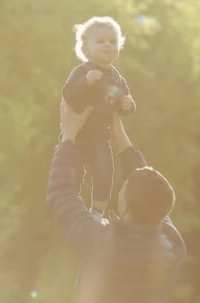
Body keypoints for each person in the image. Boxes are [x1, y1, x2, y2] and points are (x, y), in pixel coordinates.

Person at [47, 100, 186, 303]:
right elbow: (151, 194)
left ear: (126, 205)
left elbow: (61, 193)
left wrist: (68, 137)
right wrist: (119, 133)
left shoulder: (101, 244)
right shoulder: (173, 245)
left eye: (124, 188)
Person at [61, 16, 136, 220]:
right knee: (72, 171)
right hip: (77, 136)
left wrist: (128, 105)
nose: (107, 45)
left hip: (101, 137)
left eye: (112, 42)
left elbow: (123, 102)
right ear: (85, 48)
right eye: (100, 41)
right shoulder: (81, 71)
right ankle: (72, 204)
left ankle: (97, 211)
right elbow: (68, 95)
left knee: (105, 172)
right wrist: (85, 82)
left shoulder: (117, 79)